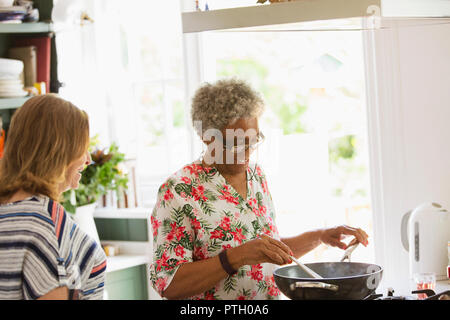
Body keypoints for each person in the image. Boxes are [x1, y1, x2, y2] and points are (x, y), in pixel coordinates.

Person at [149, 78, 369, 300]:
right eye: (237, 143)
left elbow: (266, 250)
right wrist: (236, 257)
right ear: (207, 138)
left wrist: (320, 237)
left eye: (253, 140)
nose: (248, 151)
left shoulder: (256, 176)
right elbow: (169, 284)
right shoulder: (178, 191)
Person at [0, 94, 107, 300]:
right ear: (58, 149)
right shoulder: (45, 217)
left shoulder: (9, 209)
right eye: (82, 147)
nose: (87, 159)